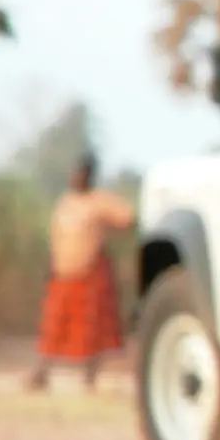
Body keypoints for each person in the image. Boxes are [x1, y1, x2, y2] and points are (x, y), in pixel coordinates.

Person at [27, 153, 136, 392]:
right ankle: (40, 373)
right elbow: (56, 237)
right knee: (54, 325)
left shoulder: (100, 201)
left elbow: (128, 218)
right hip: (63, 273)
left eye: (80, 173)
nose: (75, 177)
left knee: (92, 328)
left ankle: (89, 377)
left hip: (90, 272)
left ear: (89, 175)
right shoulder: (66, 202)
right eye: (73, 172)